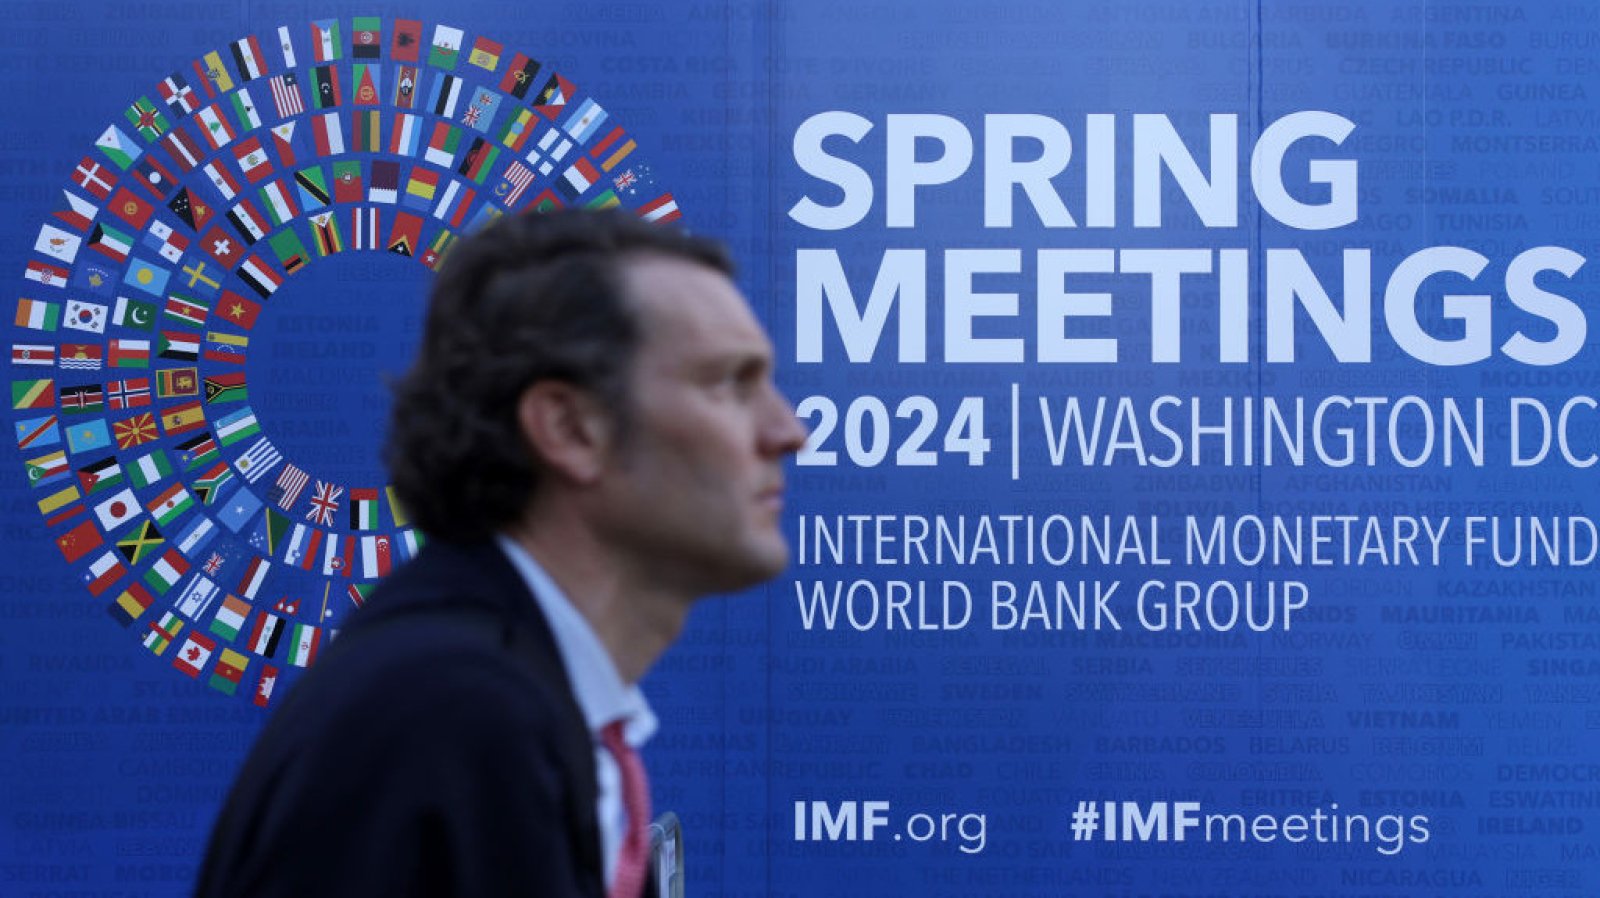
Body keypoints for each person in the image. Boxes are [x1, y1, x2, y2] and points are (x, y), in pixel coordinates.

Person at [193, 208, 808, 898]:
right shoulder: (450, 719)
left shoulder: (498, 699)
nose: (788, 431)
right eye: (729, 384)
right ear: (570, 428)